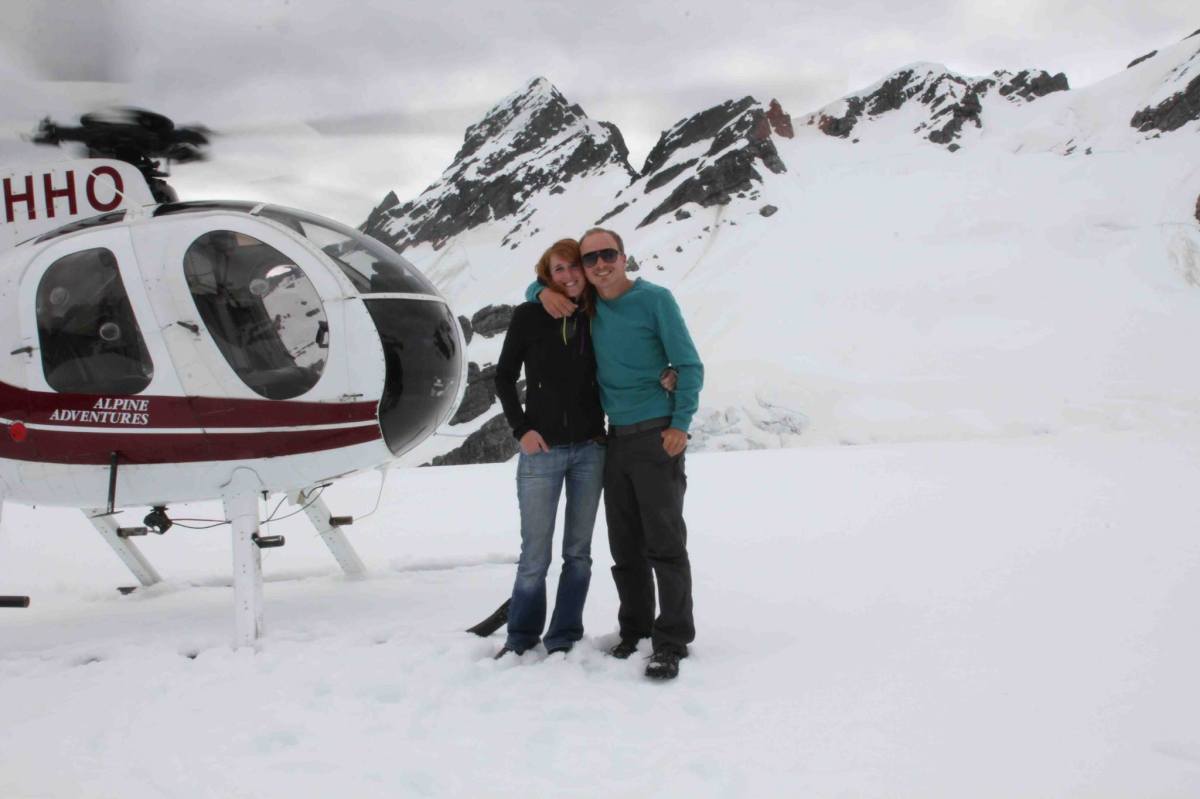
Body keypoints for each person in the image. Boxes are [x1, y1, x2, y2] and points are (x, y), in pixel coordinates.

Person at [527, 227, 703, 680]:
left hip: (656, 435)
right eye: (590, 259)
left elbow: (689, 365)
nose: (600, 264)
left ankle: (671, 640)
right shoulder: (589, 303)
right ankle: (635, 631)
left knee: (664, 543)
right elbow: (539, 287)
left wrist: (680, 424)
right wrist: (542, 291)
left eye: (608, 255)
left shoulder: (655, 300)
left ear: (624, 257)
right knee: (625, 546)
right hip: (614, 440)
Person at [493, 239, 606, 657]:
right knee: (535, 556)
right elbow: (504, 377)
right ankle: (521, 638)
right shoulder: (529, 314)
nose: (569, 275)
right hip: (541, 451)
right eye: (559, 269)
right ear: (547, 275)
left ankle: (564, 636)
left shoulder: (599, 311)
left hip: (591, 450)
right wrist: (520, 428)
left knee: (578, 553)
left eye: (574, 266)